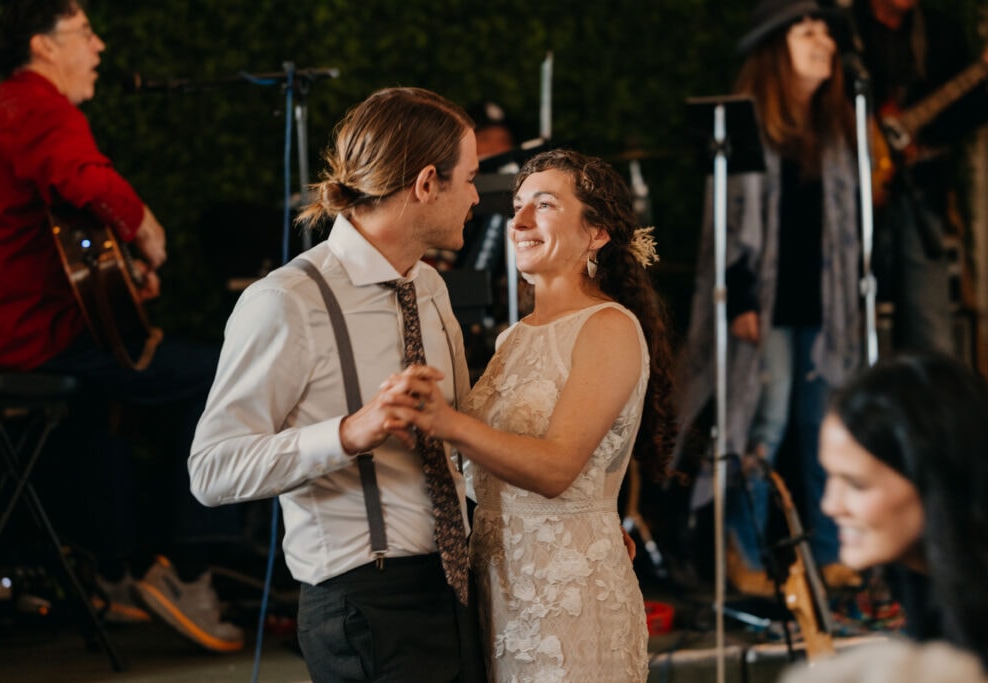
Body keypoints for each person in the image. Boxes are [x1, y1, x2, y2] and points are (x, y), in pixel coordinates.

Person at [0, 0, 243, 652]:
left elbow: (45, 242)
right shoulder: (40, 108)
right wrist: (146, 229)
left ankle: (113, 571)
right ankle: (193, 573)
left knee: (106, 400)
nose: (101, 46)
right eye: (85, 32)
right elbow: (87, 181)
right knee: (220, 372)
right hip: (29, 341)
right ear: (42, 46)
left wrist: (115, 275)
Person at [189, 87, 486, 682]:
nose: (477, 198)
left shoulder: (429, 286)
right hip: (363, 605)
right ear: (427, 183)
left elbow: (464, 447)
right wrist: (350, 432)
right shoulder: (284, 301)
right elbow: (212, 470)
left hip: (458, 587)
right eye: (471, 179)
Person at [385, 148, 677, 681]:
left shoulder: (607, 327)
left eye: (543, 206)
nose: (518, 222)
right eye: (516, 207)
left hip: (568, 597)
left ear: (598, 233)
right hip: (499, 590)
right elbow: (487, 470)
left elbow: (555, 469)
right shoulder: (513, 338)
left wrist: (448, 422)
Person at [676, 0, 863, 596]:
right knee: (767, 423)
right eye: (808, 31)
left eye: (826, 33)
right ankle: (744, 548)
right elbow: (726, 222)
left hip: (826, 306)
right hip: (768, 307)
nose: (824, 42)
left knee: (825, 430)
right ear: (775, 47)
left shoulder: (836, 127)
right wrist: (745, 298)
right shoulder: (747, 124)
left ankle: (833, 552)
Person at [779, 352, 988, 680]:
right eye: (830, 476)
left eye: (856, 484)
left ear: (934, 479)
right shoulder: (926, 580)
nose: (830, 505)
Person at [852, 0, 988, 355]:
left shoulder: (940, 32)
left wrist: (924, 139)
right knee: (851, 314)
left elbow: (968, 113)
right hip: (856, 195)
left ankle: (927, 402)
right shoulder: (849, 30)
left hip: (921, 192)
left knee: (931, 325)